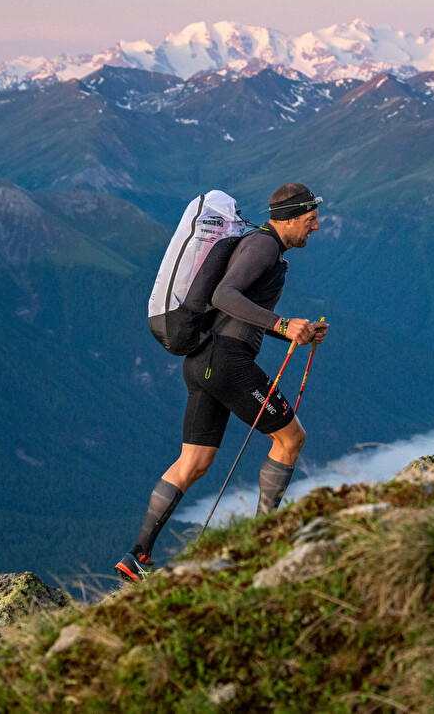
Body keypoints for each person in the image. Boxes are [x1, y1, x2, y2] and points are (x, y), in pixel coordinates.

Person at [116, 183, 329, 582]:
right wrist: (283, 324)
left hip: (202, 362)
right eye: (310, 219)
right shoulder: (263, 246)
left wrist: (294, 332)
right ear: (289, 218)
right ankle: (264, 543)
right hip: (227, 362)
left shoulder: (261, 246)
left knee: (193, 462)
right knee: (291, 439)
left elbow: (239, 313)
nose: (315, 227)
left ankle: (137, 555)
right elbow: (223, 296)